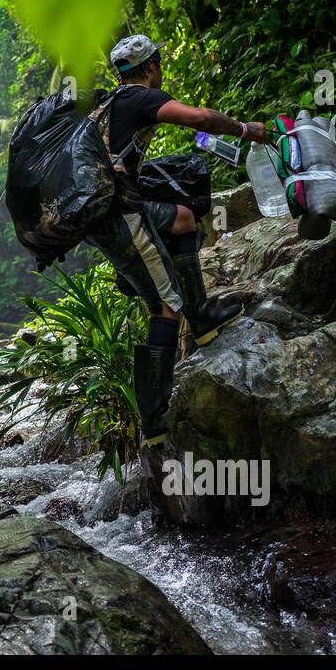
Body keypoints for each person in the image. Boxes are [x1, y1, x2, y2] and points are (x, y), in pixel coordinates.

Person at [85, 34, 268, 448]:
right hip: (120, 215)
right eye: (159, 63)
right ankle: (154, 422)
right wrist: (245, 129)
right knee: (164, 308)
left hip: (105, 216)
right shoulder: (138, 98)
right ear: (150, 66)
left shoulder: (106, 105)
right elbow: (199, 119)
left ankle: (201, 315)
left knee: (183, 219)